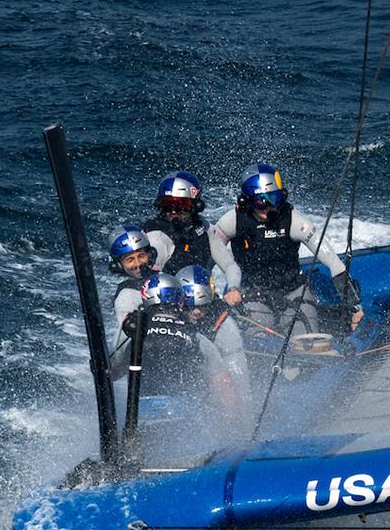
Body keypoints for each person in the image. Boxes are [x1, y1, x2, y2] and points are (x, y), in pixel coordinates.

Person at [214, 162, 363, 336]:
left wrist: (355, 305)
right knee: (257, 335)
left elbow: (332, 261)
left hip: (293, 292)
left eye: (274, 199)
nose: (270, 207)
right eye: (262, 202)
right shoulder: (233, 221)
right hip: (251, 294)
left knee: (304, 335)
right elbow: (211, 254)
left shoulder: (293, 221)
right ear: (247, 201)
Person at [135, 274, 242, 420]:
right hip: (183, 414)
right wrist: (234, 424)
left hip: (139, 413)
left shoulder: (133, 331)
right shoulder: (196, 337)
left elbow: (112, 369)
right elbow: (224, 385)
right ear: (180, 303)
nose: (197, 313)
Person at [143, 172, 242, 300]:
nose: (173, 212)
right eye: (167, 205)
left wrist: (233, 289)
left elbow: (229, 265)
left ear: (196, 206)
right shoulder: (156, 235)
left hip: (202, 299)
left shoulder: (204, 229)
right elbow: (153, 266)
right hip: (169, 302)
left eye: (181, 205)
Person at [175, 264, 251, 402]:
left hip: (218, 380)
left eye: (202, 306)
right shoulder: (169, 313)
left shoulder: (225, 326)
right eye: (189, 307)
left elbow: (240, 383)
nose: (196, 313)